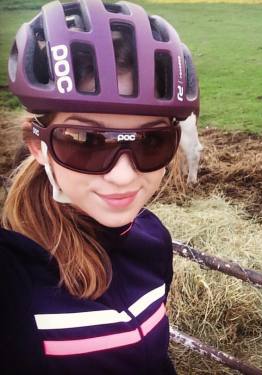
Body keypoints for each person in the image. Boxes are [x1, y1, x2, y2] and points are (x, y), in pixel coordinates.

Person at [1, 0, 199, 373]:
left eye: (151, 142)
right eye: (86, 140)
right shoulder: (14, 276)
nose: (123, 176)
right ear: (37, 146)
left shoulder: (153, 237)